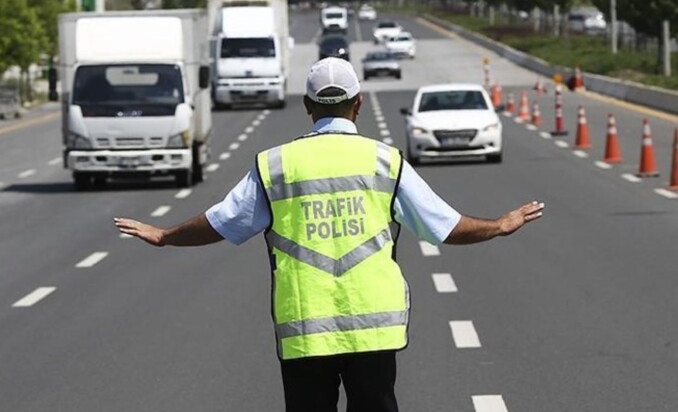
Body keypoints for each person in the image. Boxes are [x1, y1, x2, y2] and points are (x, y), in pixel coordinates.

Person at [114, 57, 545, 412]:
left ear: (307, 105)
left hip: (305, 331)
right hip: (374, 330)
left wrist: (165, 234)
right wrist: (499, 226)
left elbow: (222, 222)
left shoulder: (276, 165)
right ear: (358, 104)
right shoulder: (384, 161)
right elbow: (444, 226)